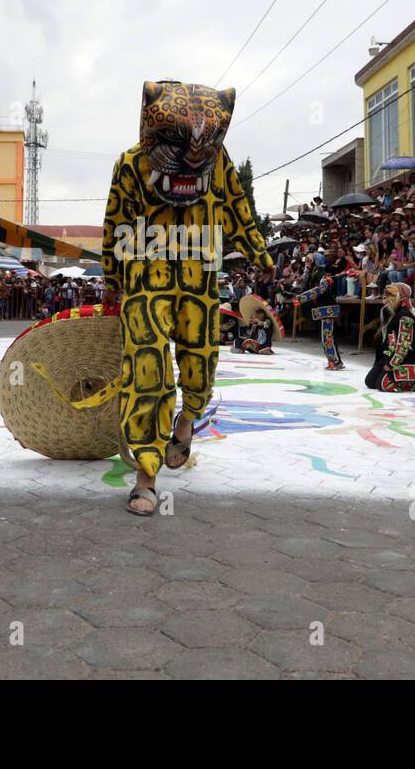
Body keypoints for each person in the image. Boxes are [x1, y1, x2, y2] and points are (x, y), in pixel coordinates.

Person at [101, 80, 274, 516]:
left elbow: (237, 205)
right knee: (148, 371)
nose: (192, 158)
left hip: (200, 279)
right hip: (145, 278)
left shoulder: (219, 164)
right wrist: (110, 276)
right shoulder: (130, 165)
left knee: (199, 364)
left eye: (203, 148)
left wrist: (258, 250)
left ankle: (187, 418)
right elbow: (114, 220)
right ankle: (146, 475)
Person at [364, 282, 415, 392]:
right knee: (370, 381)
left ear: (399, 298)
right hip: (390, 358)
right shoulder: (393, 314)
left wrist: (391, 364)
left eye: (389, 295)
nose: (385, 298)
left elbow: (404, 346)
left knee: (383, 385)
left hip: (404, 362)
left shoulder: (406, 317)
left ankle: (412, 382)